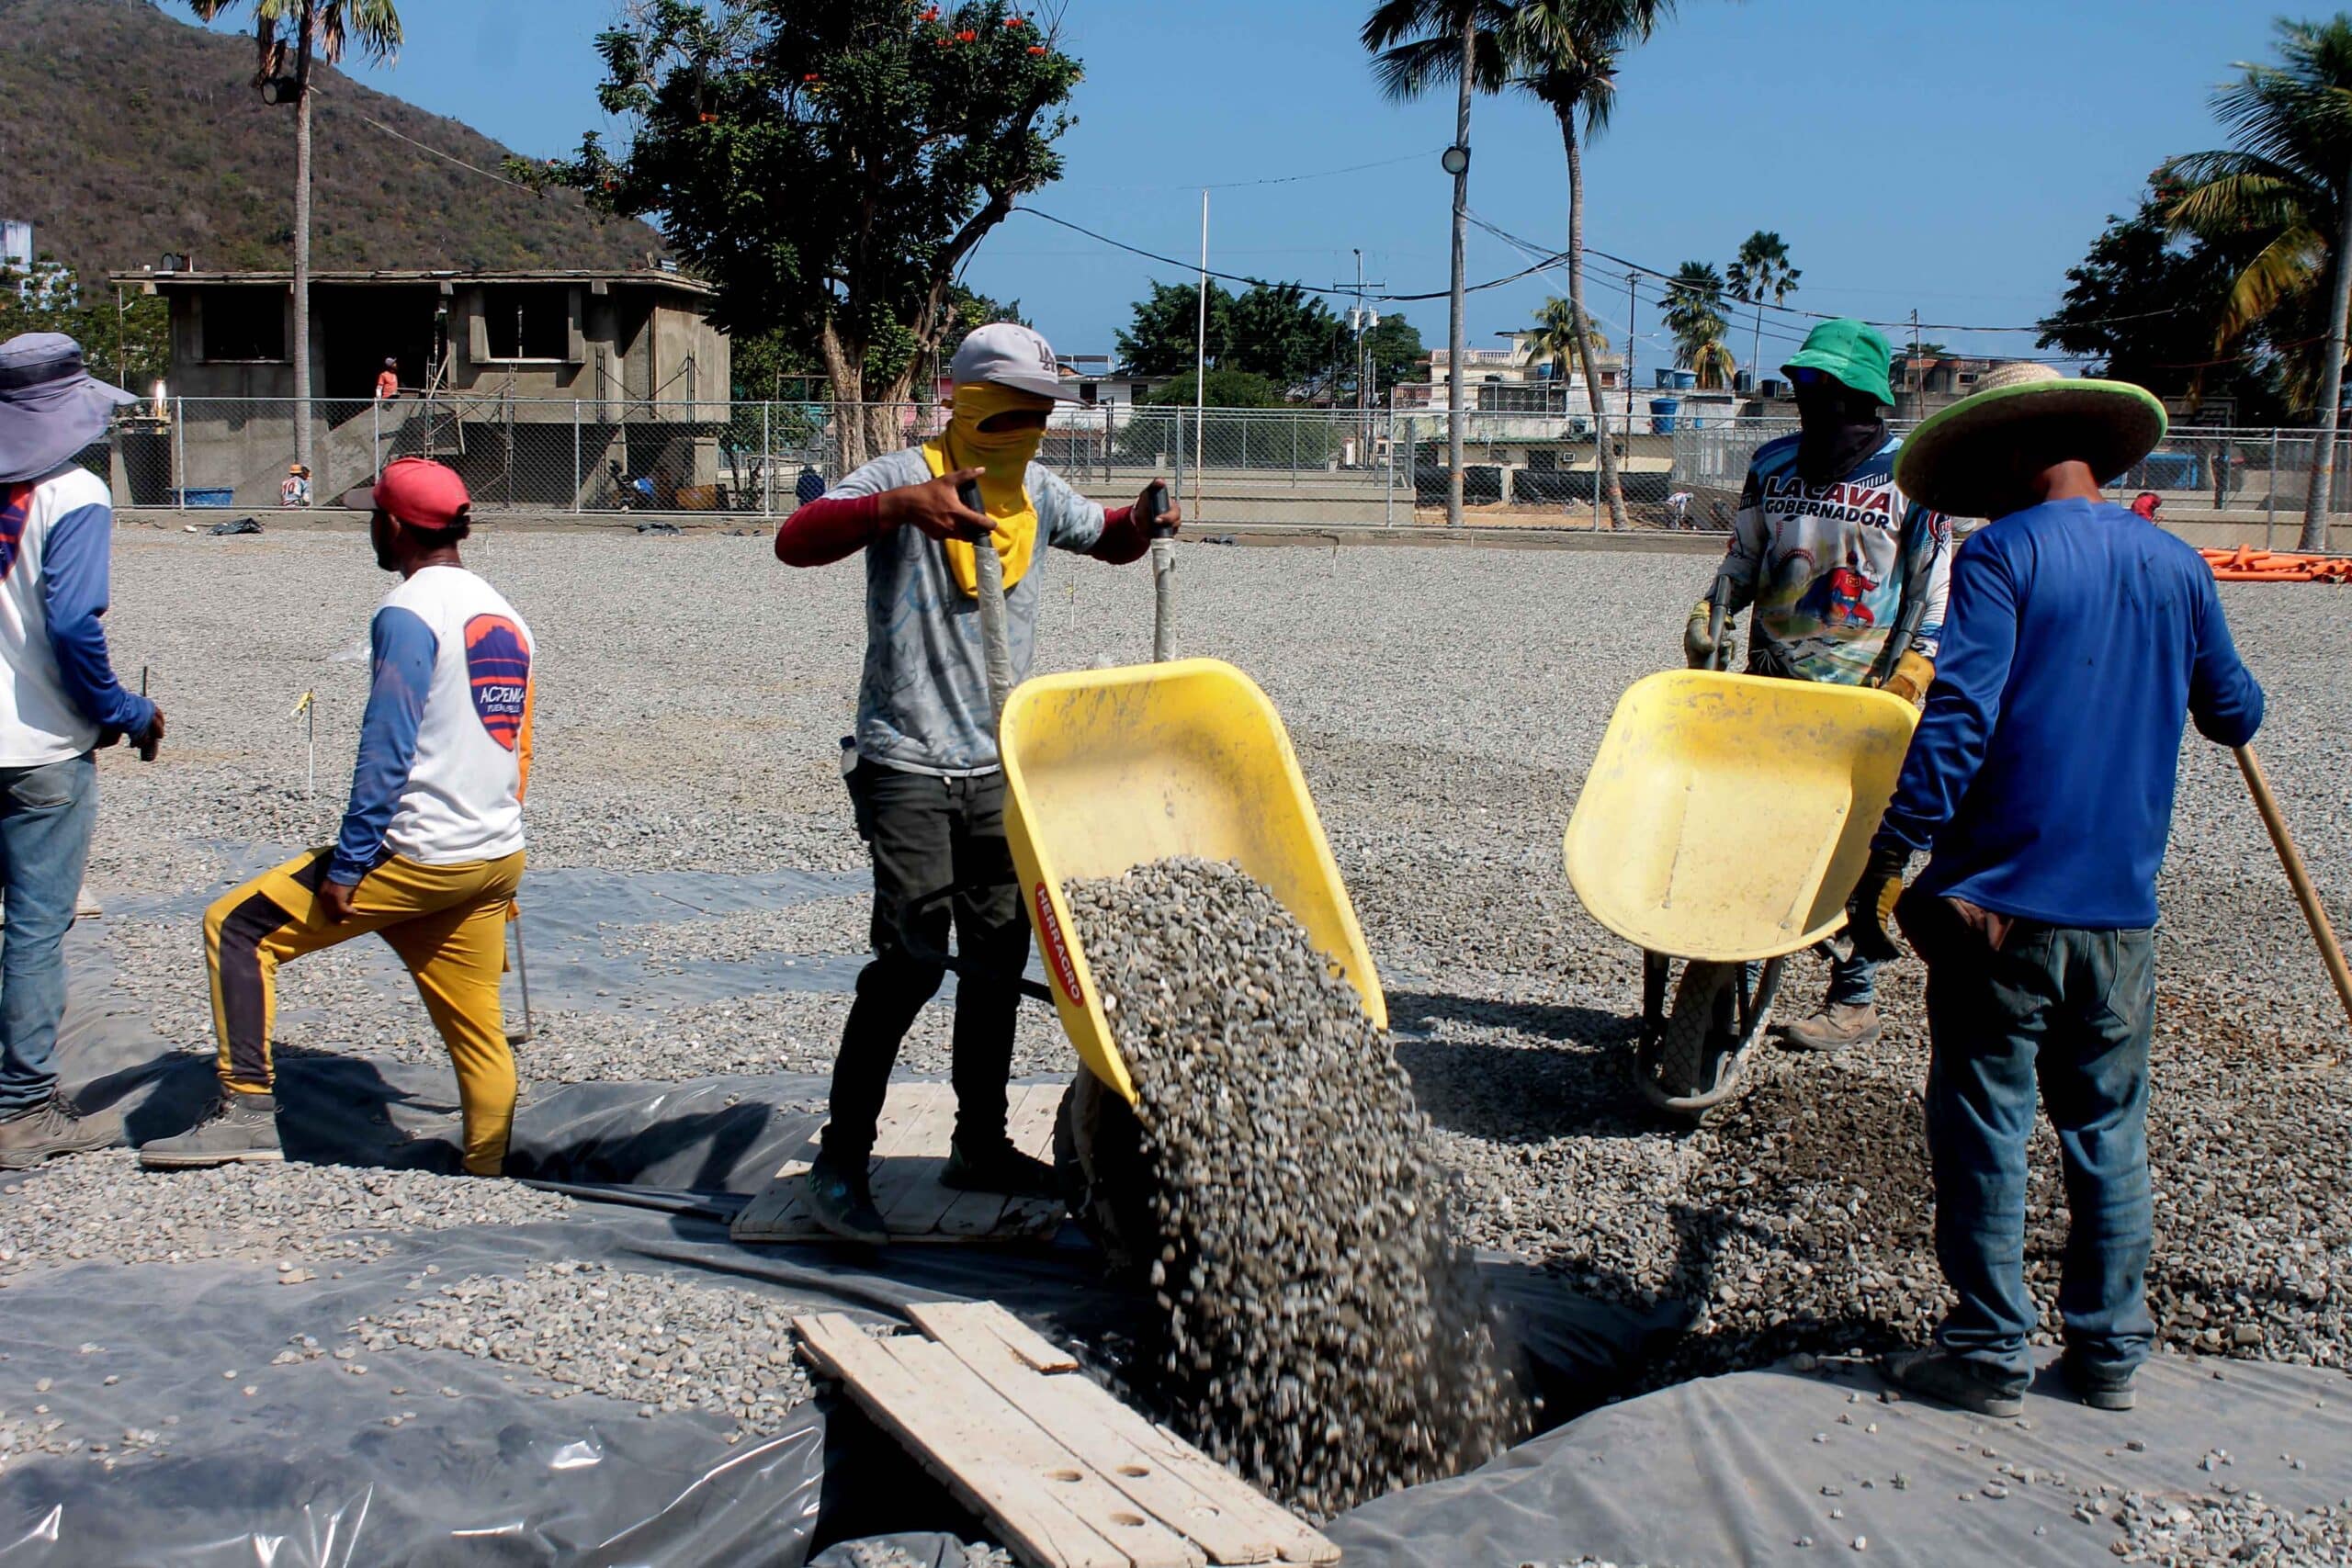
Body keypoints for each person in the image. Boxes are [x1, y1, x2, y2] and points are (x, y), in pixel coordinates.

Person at [1845, 364, 2263, 1417]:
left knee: (1986, 1119)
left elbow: (1959, 718)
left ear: (2009, 458)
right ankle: (2110, 1350)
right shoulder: (2176, 563)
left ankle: (1988, 1351)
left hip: (1999, 906)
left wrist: (1891, 852)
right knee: (2108, 1129)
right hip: (2120, 914)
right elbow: (2235, 711)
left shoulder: (2001, 557)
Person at [774, 322, 1174, 1242]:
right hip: (906, 760)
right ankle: (842, 1158)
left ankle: (979, 1142)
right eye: (1012, 411)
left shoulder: (1033, 491)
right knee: (910, 963)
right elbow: (796, 540)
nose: (1027, 429)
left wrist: (1143, 520)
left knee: (996, 964)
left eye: (1039, 414)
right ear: (963, 402)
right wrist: (899, 509)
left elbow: (1106, 538)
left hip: (1000, 770)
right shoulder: (898, 478)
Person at [139, 458, 535, 1176]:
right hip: (490, 853)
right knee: (479, 1029)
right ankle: (489, 1169)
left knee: (236, 927)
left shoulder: (410, 610)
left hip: (414, 853)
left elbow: (388, 743)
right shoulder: (507, 613)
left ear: (391, 524)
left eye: (370, 517)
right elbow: (516, 741)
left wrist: (351, 861)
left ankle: (246, 1115)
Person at [1684, 319, 1951, 1052]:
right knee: (1749, 831)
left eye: (1826, 389)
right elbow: (1744, 556)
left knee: (1852, 851)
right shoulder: (1773, 466)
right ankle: (1730, 957)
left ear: (1863, 397)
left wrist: (1916, 668)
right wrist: (1714, 609)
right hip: (1771, 686)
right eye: (1804, 387)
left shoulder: (1912, 481)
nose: (1811, 403)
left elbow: (1933, 588)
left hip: (1863, 700)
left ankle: (1854, 993)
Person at [0, 333, 164, 1168]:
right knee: (33, 927)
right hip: (35, 745)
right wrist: (124, 710)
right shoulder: (74, 493)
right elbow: (70, 623)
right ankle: (22, 1107)